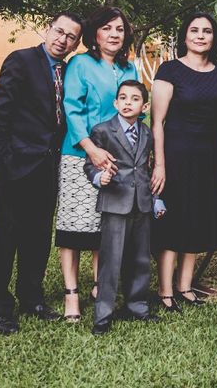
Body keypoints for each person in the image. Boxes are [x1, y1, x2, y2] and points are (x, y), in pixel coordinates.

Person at [0, 12, 83, 335]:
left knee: (38, 237)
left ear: (76, 43)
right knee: (5, 238)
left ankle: (32, 298)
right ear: (48, 29)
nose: (63, 39)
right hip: (15, 166)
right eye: (59, 31)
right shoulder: (22, 60)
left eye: (71, 37)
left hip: (48, 169)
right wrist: (1, 160)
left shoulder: (68, 70)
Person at [56, 6, 139, 321]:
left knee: (104, 228)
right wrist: (91, 149)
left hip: (115, 159)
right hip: (80, 154)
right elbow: (72, 108)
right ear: (95, 34)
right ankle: (71, 295)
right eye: (107, 28)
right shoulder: (80, 63)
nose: (114, 34)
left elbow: (132, 113)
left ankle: (98, 288)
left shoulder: (129, 69)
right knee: (74, 228)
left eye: (119, 29)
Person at [151, 12, 217, 312]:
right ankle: (165, 290)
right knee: (174, 220)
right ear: (184, 36)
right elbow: (157, 122)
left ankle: (185, 287)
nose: (200, 35)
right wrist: (159, 164)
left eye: (207, 31)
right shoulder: (170, 70)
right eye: (194, 30)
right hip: (176, 152)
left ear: (214, 37)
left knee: (197, 218)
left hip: (208, 155)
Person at [84, 80, 158, 334]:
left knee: (140, 258)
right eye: (123, 98)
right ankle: (103, 314)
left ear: (145, 105)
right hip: (115, 202)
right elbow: (90, 165)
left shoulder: (147, 133)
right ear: (115, 103)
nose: (128, 103)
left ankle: (137, 306)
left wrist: (155, 199)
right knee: (111, 261)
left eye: (135, 99)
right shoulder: (103, 131)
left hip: (142, 204)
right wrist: (99, 177)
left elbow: (145, 168)